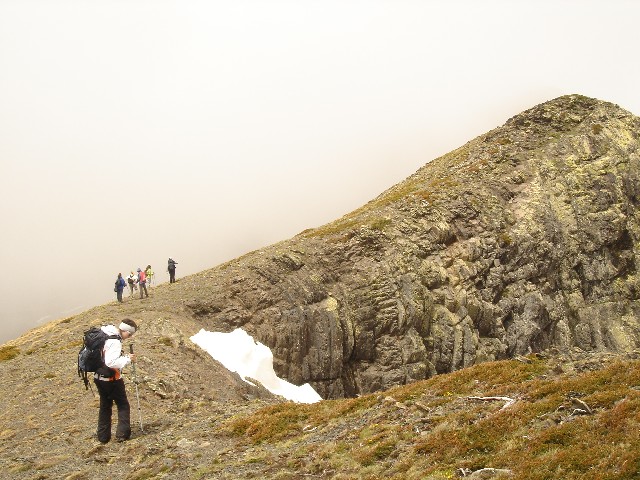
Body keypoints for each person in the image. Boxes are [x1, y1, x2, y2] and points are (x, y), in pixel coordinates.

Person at [94, 319, 138, 443]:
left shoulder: (105, 333)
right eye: (130, 334)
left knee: (105, 406)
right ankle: (122, 434)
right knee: (123, 404)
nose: (130, 337)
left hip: (98, 376)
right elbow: (111, 362)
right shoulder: (115, 341)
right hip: (112, 379)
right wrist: (128, 359)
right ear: (125, 331)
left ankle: (103, 437)